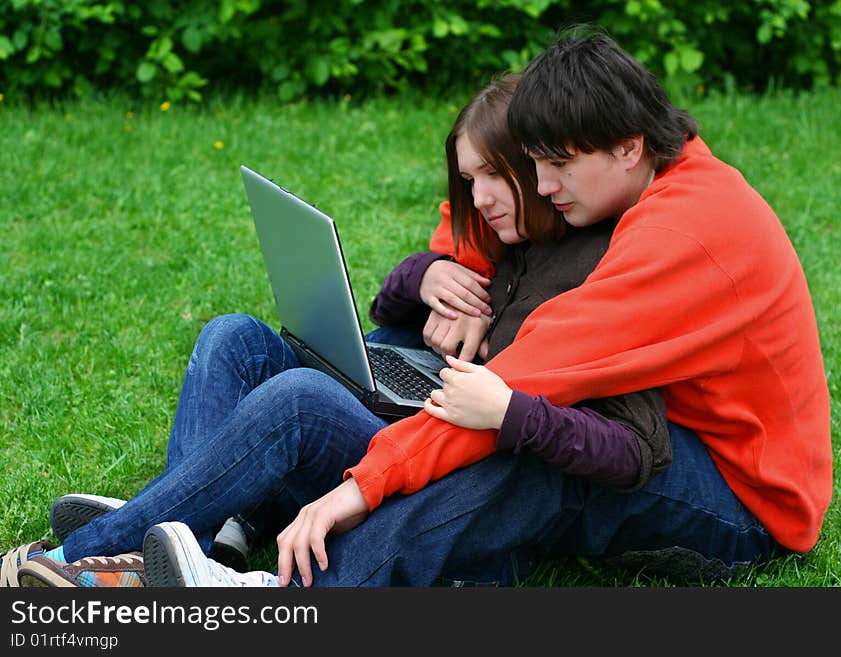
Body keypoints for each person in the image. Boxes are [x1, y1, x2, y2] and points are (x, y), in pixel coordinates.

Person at [139, 26, 832, 588]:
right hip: (681, 432)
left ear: (630, 145)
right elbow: (471, 221)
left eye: (556, 164)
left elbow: (523, 382)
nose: (543, 184)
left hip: (746, 500)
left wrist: (358, 488)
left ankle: (297, 594)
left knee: (526, 450)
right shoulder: (658, 176)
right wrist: (446, 270)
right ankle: (163, 533)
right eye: (532, 165)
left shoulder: (679, 233)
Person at [1, 74, 670, 588]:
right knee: (232, 334)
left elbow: (625, 438)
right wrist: (427, 277)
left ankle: (89, 553)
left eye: (497, 176)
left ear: (541, 166)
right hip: (417, 416)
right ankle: (185, 539)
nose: (482, 197)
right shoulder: (505, 236)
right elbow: (391, 302)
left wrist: (505, 405)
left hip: (441, 458)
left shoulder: (597, 261)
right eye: (471, 181)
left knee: (299, 399)